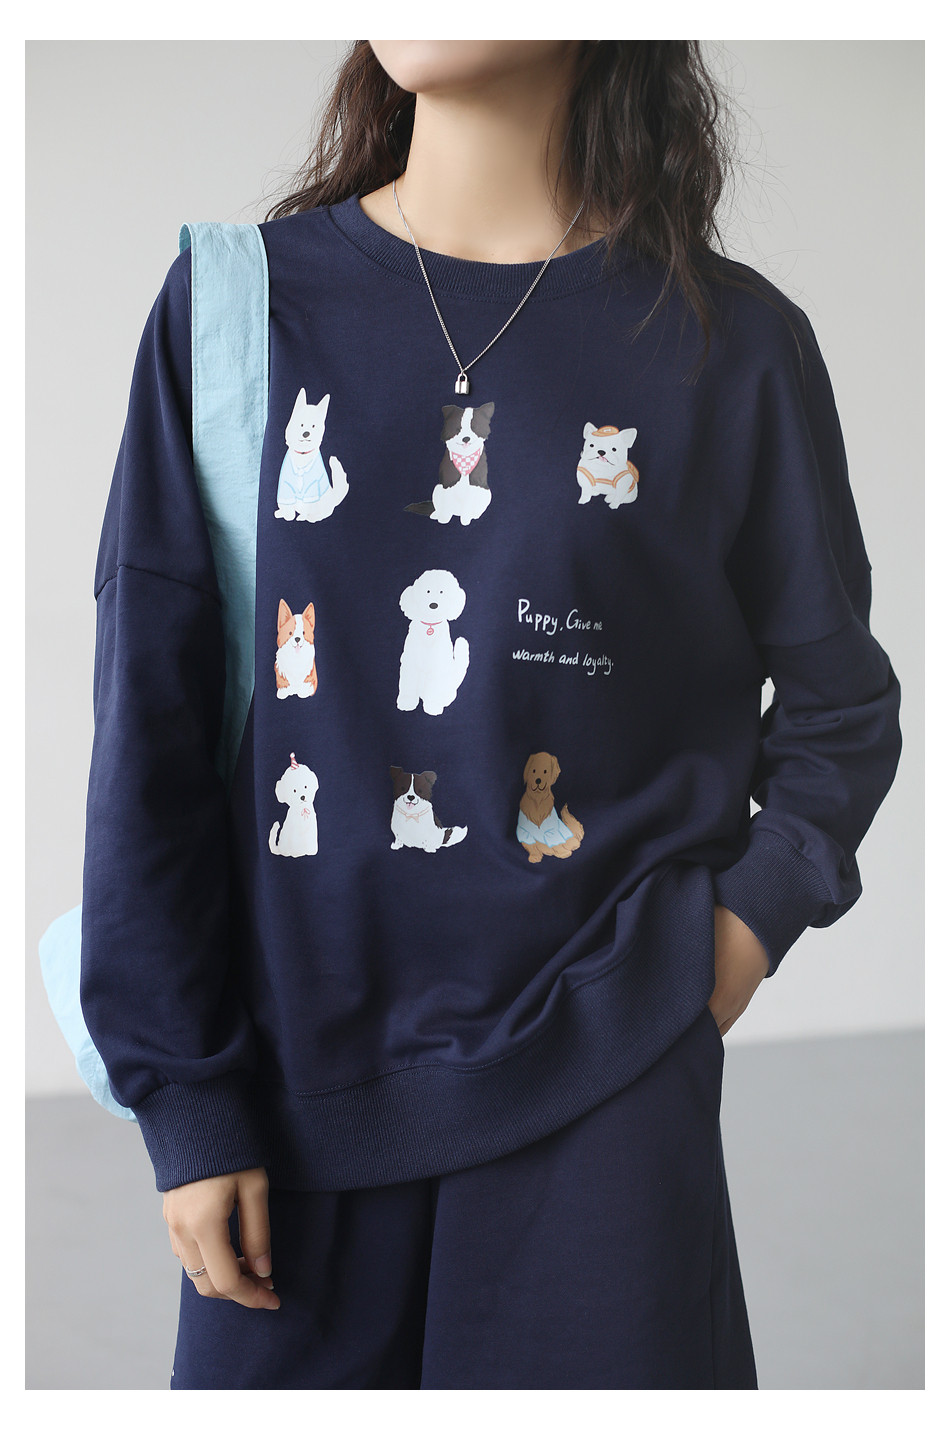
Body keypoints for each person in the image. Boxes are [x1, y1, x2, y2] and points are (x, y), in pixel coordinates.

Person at [78, 40, 903, 1390]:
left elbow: (840, 708)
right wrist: (184, 1092)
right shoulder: (236, 309)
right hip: (292, 1093)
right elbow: (150, 734)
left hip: (609, 1080)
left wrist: (731, 942)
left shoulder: (730, 343)